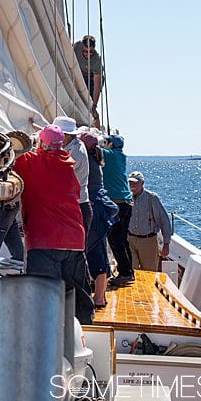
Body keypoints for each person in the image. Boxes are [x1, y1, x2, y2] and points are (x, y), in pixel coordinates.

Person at [13, 124, 95, 325]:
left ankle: (45, 349)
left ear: (41, 142)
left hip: (44, 242)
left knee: (43, 301)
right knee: (77, 298)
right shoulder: (68, 163)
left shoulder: (30, 163)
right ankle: (83, 337)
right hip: (74, 241)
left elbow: (10, 159)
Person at [80, 131, 117, 309]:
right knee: (99, 252)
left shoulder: (84, 158)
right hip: (100, 209)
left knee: (90, 252)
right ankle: (100, 298)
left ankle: (96, 298)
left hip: (92, 209)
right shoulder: (96, 158)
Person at [102, 134, 134, 286]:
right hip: (126, 202)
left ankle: (125, 273)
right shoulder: (121, 156)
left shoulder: (109, 155)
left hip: (117, 203)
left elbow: (91, 147)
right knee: (122, 239)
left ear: (110, 144)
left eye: (105, 142)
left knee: (115, 239)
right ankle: (128, 272)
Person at [126, 172, 173, 272]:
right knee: (130, 271)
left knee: (149, 273)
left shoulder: (152, 198)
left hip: (148, 241)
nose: (132, 185)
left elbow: (164, 222)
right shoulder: (126, 198)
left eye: (135, 183)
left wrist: (166, 244)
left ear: (142, 183)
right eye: (130, 183)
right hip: (130, 240)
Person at [52, 115, 90, 237]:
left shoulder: (76, 151)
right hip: (72, 205)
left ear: (67, 136)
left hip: (76, 207)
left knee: (76, 250)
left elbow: (58, 173)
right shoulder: (73, 146)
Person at [73, 36, 104, 125]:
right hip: (80, 75)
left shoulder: (96, 61)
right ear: (82, 47)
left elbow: (97, 86)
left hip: (92, 79)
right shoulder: (77, 46)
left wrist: (94, 105)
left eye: (91, 52)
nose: (88, 54)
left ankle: (97, 130)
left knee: (90, 107)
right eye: (86, 51)